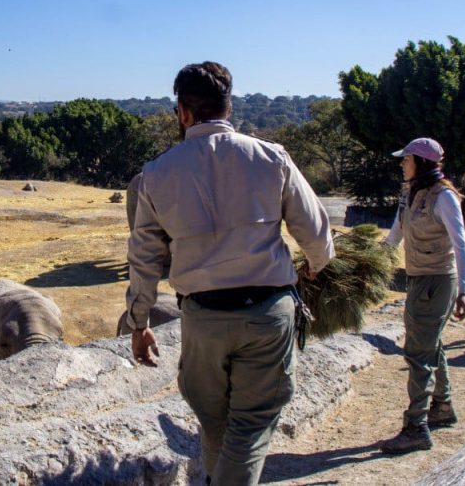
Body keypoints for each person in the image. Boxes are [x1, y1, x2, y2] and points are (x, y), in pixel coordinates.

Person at [126, 61, 335, 485]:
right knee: (252, 424)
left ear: (183, 112)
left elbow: (144, 257)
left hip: (201, 316)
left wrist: (140, 322)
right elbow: (315, 232)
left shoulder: (156, 173)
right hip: (266, 311)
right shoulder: (271, 156)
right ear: (229, 105)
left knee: (215, 421)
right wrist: (315, 264)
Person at [380, 138, 465, 455]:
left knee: (418, 353)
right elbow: (397, 232)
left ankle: (415, 427)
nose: (402, 164)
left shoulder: (443, 196)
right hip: (418, 279)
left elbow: (460, 243)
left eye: (405, 159)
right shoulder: (410, 192)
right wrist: (377, 261)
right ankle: (442, 406)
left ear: (420, 161)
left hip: (437, 281)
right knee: (432, 343)